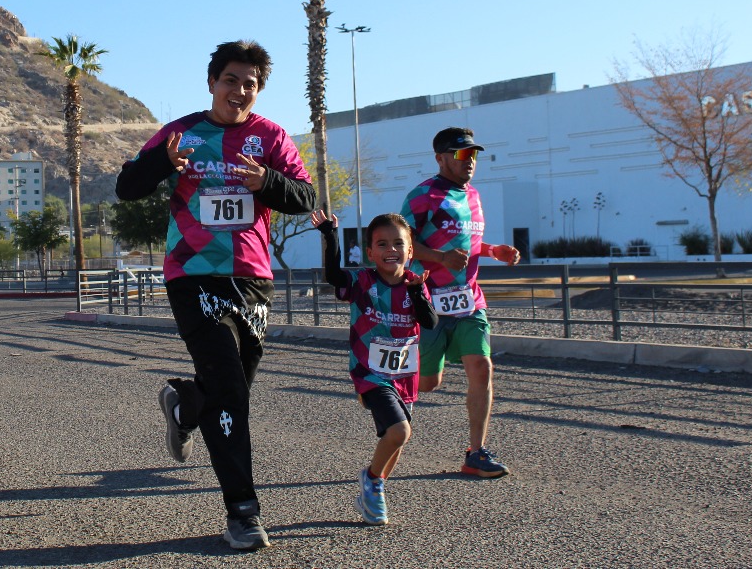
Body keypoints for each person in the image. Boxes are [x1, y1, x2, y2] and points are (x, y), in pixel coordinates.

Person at [115, 40, 315, 551]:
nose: (239, 90)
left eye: (250, 83)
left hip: (251, 279)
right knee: (230, 389)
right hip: (192, 275)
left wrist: (267, 180)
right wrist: (164, 163)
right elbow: (127, 187)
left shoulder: (269, 136)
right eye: (231, 80)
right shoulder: (181, 134)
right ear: (212, 83)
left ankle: (186, 404)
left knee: (232, 388)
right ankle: (243, 513)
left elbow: (305, 196)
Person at [402, 127, 521, 478]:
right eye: (461, 155)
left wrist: (493, 250)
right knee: (427, 384)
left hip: (469, 302)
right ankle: (386, 387)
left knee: (482, 368)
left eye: (473, 155)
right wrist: (438, 258)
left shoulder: (474, 196)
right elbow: (401, 245)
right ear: (440, 158)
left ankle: (476, 452)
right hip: (428, 303)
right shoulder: (422, 196)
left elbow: (467, 243)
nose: (469, 162)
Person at [313, 209, 437, 525]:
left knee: (396, 438)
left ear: (410, 251)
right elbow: (334, 277)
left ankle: (374, 485)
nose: (390, 250)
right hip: (370, 373)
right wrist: (330, 235)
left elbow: (430, 322)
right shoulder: (363, 280)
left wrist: (417, 295)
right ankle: (371, 479)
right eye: (381, 244)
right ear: (370, 252)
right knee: (400, 430)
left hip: (404, 376)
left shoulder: (415, 283)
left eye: (398, 244)